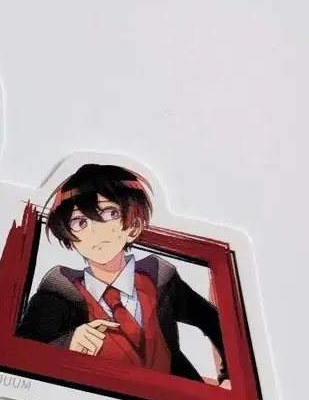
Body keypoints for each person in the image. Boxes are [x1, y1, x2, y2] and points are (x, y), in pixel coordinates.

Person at [17, 164, 229, 385]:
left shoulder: (160, 278)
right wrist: (67, 343)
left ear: (133, 227)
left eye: (109, 213)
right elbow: (19, 352)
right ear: (70, 238)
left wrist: (229, 377)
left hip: (178, 398)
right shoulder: (58, 292)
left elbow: (214, 321)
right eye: (80, 222)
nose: (94, 230)